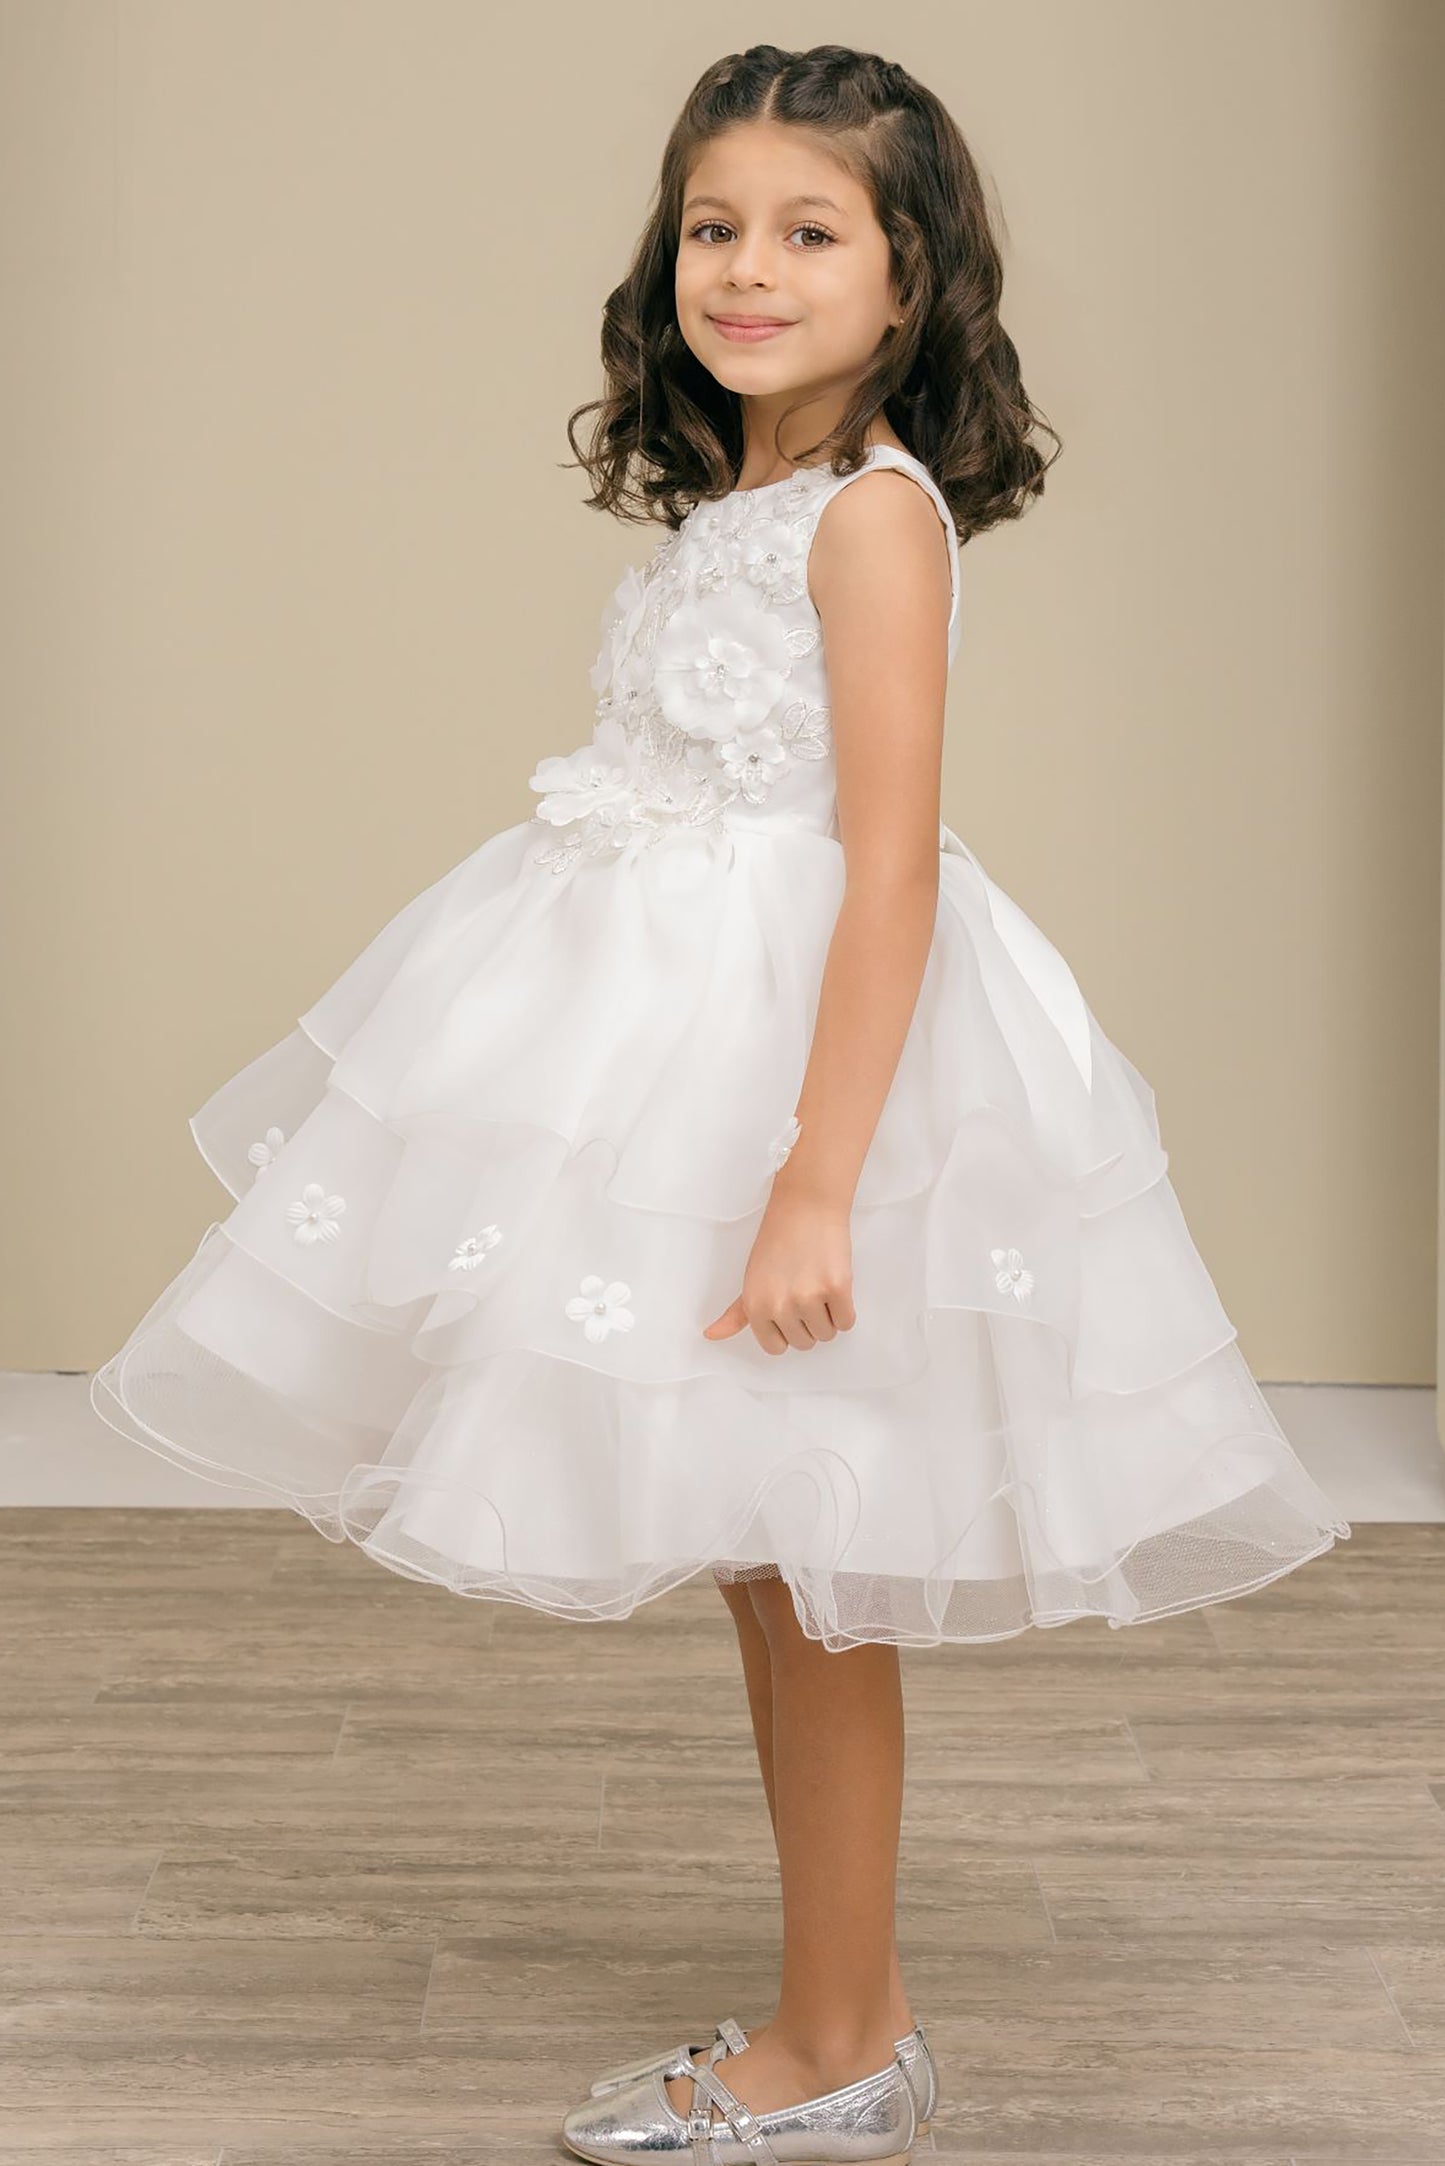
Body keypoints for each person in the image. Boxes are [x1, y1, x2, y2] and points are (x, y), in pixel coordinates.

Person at [89, 40, 1352, 2166]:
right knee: (772, 1563)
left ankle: (842, 2046)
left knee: (813, 1564)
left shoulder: (871, 521)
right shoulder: (748, 505)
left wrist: (817, 1182)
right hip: (664, 1049)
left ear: (912, 273)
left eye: (808, 231)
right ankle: (833, 2014)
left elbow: (887, 861)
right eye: (712, 227)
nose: (746, 268)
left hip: (787, 1076)